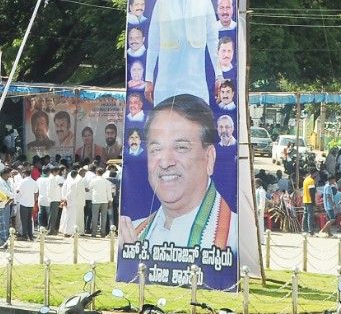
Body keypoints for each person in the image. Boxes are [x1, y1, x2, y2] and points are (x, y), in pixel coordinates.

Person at [118, 94, 236, 250]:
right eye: (156, 149)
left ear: (209, 158)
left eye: (181, 147)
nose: (166, 162)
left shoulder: (235, 238)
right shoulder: (131, 234)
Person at [144, 0, 222, 106]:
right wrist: (149, 79)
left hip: (195, 87)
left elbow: (213, 39)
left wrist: (219, 75)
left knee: (197, 130)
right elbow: (153, 42)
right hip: (167, 87)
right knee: (166, 130)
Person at [89, 168, 114, 237]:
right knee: (103, 217)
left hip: (96, 200)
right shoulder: (107, 182)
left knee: (94, 217)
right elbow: (109, 192)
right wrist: (110, 201)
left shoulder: (93, 180)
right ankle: (102, 232)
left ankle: (94, 233)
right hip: (104, 200)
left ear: (97, 172)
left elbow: (89, 188)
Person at [16, 168, 38, 240]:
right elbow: (36, 193)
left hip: (23, 203)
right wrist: (34, 203)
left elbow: (17, 191)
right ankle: (30, 235)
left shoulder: (22, 181)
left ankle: (24, 235)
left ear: (24, 174)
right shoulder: (34, 182)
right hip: (31, 203)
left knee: (23, 220)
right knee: (29, 220)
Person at [302, 169, 317, 236]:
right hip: (310, 200)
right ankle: (311, 231)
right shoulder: (311, 181)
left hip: (305, 200)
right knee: (310, 216)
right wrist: (314, 202)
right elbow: (312, 193)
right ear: (314, 173)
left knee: (305, 215)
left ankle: (304, 229)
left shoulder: (306, 179)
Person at [255, 179, 267, 243]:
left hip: (259, 210)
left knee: (260, 225)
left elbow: (262, 202)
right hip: (256, 210)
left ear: (258, 184)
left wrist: (260, 209)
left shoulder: (262, 191)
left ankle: (261, 240)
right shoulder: (257, 190)